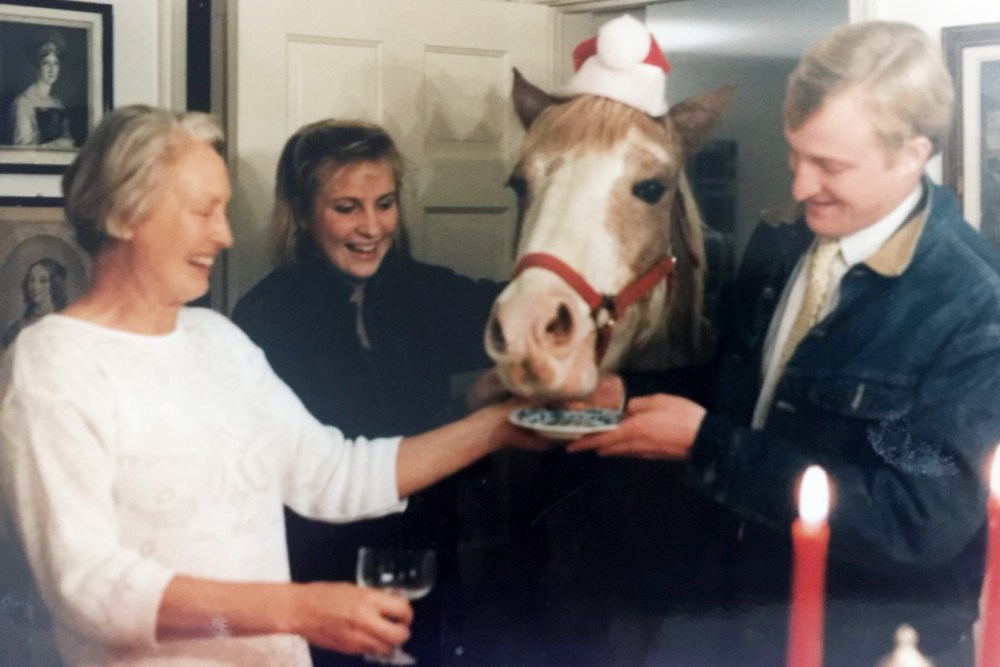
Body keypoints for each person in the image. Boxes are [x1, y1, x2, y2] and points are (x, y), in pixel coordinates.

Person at [0, 105, 544, 667]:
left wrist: (498, 426)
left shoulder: (218, 340)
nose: (225, 235)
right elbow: (87, 584)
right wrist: (297, 609)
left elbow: (334, 474)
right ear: (123, 216)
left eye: (224, 211)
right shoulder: (53, 363)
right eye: (203, 211)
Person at [569, 21, 1000, 667]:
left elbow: (917, 521)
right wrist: (626, 393)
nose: (799, 186)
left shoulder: (975, 304)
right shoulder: (783, 238)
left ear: (913, 154)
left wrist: (707, 445)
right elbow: (741, 390)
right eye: (795, 154)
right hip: (725, 616)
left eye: (829, 165)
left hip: (865, 647)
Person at [231, 119, 504, 666]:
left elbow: (525, 311)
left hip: (425, 559)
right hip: (324, 574)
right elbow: (348, 460)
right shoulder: (267, 317)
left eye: (385, 203)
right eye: (346, 207)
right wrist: (468, 409)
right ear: (302, 213)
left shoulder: (419, 289)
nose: (372, 227)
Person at [10, 31, 74, 149]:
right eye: (46, 63)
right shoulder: (24, 102)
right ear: (37, 66)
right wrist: (58, 144)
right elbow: (23, 150)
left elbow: (68, 140)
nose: (52, 69)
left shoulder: (57, 103)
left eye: (56, 64)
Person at [2, 258, 69, 350]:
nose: (34, 287)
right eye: (31, 280)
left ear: (54, 285)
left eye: (43, 281)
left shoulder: (65, 325)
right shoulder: (17, 328)